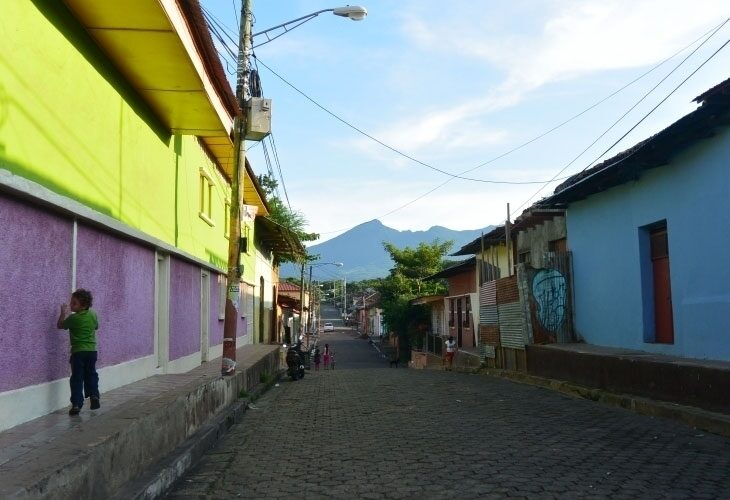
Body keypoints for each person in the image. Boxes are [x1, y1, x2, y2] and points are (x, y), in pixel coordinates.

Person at [56, 289, 100, 415]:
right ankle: (94, 395)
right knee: (91, 374)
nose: (71, 305)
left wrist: (62, 313)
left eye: (74, 303)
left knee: (77, 378)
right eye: (71, 302)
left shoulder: (73, 318)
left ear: (83, 305)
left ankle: (76, 404)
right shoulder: (93, 314)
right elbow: (96, 326)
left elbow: (59, 325)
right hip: (92, 352)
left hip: (78, 353)